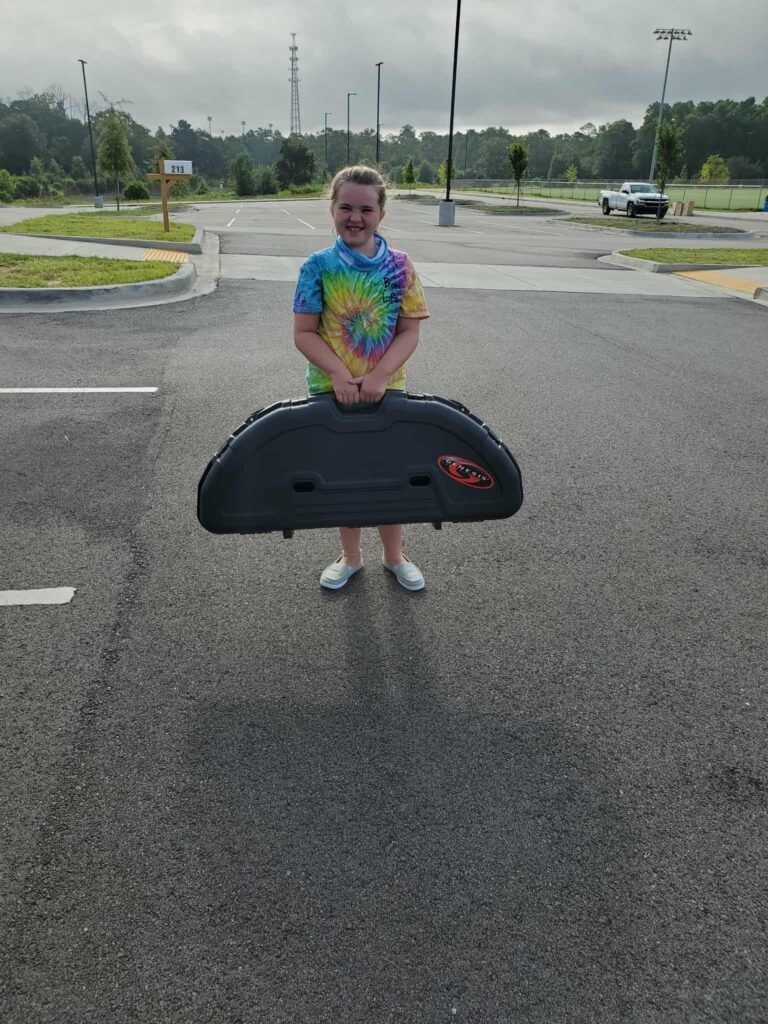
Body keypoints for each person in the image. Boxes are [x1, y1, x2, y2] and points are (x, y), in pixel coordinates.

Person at [293, 165, 430, 591]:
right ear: (332, 209)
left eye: (366, 210)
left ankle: (394, 556)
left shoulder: (400, 267)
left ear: (381, 215)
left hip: (387, 390)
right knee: (344, 478)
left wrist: (381, 375)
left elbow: (409, 332)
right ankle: (350, 557)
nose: (355, 217)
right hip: (330, 391)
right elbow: (304, 332)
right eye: (346, 207)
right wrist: (338, 373)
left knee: (390, 475)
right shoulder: (317, 267)